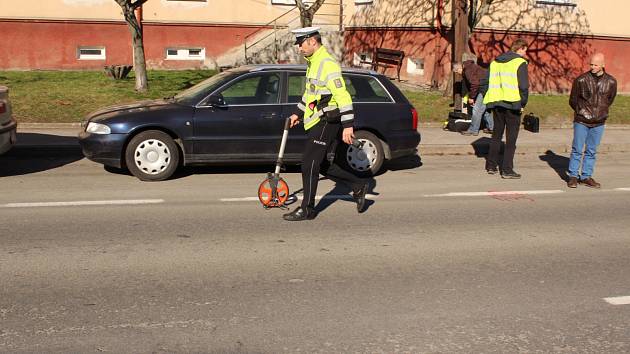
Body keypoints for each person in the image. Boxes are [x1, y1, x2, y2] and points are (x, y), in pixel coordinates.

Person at [282, 27, 369, 221]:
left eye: (301, 44)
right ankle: (358, 185)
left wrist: (348, 125)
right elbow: (311, 93)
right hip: (316, 120)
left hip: (327, 121)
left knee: (308, 163)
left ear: (312, 41)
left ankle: (307, 209)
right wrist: (298, 113)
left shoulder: (327, 64)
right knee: (319, 165)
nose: (299, 48)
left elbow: (342, 95)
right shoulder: (313, 63)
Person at [566, 53, 617, 189]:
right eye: (591, 64)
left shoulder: (611, 82)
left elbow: (610, 100)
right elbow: (573, 100)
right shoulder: (581, 80)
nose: (593, 67)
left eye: (596, 64)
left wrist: (600, 112)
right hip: (581, 120)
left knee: (591, 151)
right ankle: (573, 176)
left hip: (599, 122)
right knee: (577, 149)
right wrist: (582, 111)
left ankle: (586, 176)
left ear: (603, 65)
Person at [484, 38, 529, 179]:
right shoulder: (520, 62)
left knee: (496, 135)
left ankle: (491, 165)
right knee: (511, 139)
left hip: (497, 103)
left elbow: (486, 82)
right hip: (513, 104)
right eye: (525, 51)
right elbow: (523, 86)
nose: (525, 54)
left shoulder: (495, 62)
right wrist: (523, 103)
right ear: (520, 49)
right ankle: (507, 169)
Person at [453, 53, 494, 136]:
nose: (458, 73)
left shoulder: (468, 70)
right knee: (484, 109)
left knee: (476, 109)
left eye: (457, 71)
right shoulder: (469, 67)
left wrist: (472, 97)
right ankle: (492, 128)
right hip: (486, 87)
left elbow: (475, 84)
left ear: (460, 67)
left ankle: (473, 130)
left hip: (485, 88)